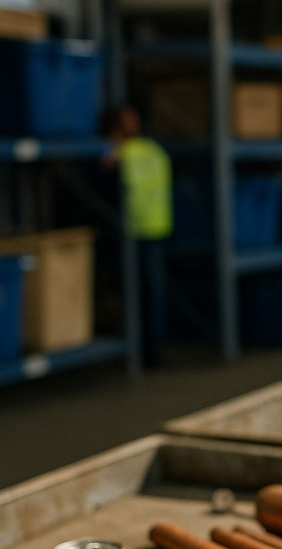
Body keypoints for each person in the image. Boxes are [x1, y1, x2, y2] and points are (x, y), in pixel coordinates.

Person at [101, 106, 173, 366]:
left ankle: (145, 354)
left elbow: (106, 174)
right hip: (154, 227)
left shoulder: (122, 152)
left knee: (139, 295)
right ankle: (151, 352)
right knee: (150, 295)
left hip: (133, 231)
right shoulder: (153, 150)